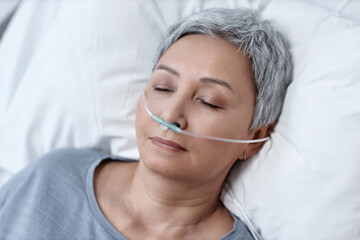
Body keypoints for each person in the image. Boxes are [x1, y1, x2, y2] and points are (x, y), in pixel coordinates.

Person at [0, 8, 291, 240]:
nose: (170, 116)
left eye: (208, 101)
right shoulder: (52, 176)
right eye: (163, 87)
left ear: (255, 138)